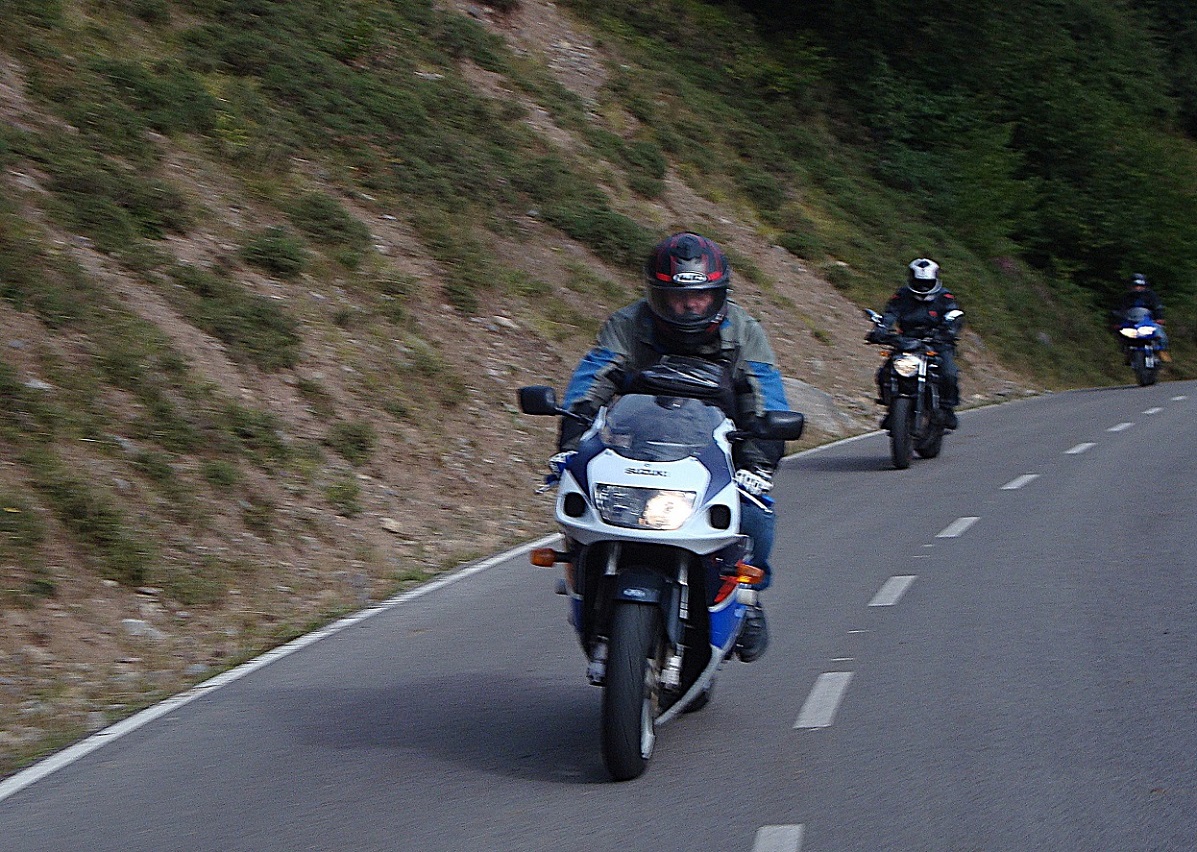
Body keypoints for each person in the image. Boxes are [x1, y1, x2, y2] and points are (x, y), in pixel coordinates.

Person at [551, 232, 791, 663]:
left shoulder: (745, 331)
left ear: (719, 295)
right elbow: (592, 380)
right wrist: (571, 442)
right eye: (678, 298)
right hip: (635, 441)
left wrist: (758, 463)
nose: (690, 306)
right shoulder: (627, 324)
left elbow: (767, 398)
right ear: (656, 297)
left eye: (701, 296)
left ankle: (750, 595)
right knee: (581, 501)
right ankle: (586, 583)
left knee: (755, 513)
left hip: (721, 446)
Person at [866, 257, 963, 429]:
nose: (923, 287)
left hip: (937, 342)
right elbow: (890, 313)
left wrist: (949, 330)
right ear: (912, 279)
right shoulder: (902, 295)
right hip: (907, 340)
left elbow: (953, 314)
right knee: (883, 373)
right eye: (919, 283)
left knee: (949, 373)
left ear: (935, 279)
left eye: (927, 283)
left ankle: (947, 409)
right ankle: (892, 409)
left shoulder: (944, 296)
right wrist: (881, 330)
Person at [1117, 273, 1170, 359]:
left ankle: (1162, 351)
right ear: (1131, 286)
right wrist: (1118, 321)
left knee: (1160, 334)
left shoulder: (1151, 295)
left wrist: (1159, 318)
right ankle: (1126, 353)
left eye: (1141, 286)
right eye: (1135, 286)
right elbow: (1121, 309)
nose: (1138, 288)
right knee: (1122, 335)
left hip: (1148, 321)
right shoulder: (1126, 297)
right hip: (1131, 322)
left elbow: (1157, 307)